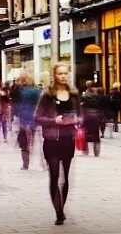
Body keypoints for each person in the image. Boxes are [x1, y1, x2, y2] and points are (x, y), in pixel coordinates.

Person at [35, 63, 81, 226]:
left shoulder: (74, 94)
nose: (63, 76)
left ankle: (62, 208)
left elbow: (80, 116)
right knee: (54, 176)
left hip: (68, 140)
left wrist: (76, 120)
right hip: (52, 141)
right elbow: (37, 117)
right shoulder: (47, 95)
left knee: (65, 179)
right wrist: (53, 121)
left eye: (65, 73)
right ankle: (59, 213)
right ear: (54, 75)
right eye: (60, 73)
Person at [15, 73, 41, 169]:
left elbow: (17, 104)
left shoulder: (22, 91)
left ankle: (25, 164)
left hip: (24, 118)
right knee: (31, 138)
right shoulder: (37, 91)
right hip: (33, 118)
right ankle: (31, 148)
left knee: (23, 141)